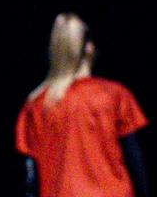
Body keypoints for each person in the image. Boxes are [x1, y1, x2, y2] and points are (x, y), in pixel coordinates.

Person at [16, 13, 149, 197]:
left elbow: (32, 176)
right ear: (88, 48)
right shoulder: (113, 95)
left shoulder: (37, 104)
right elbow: (134, 160)